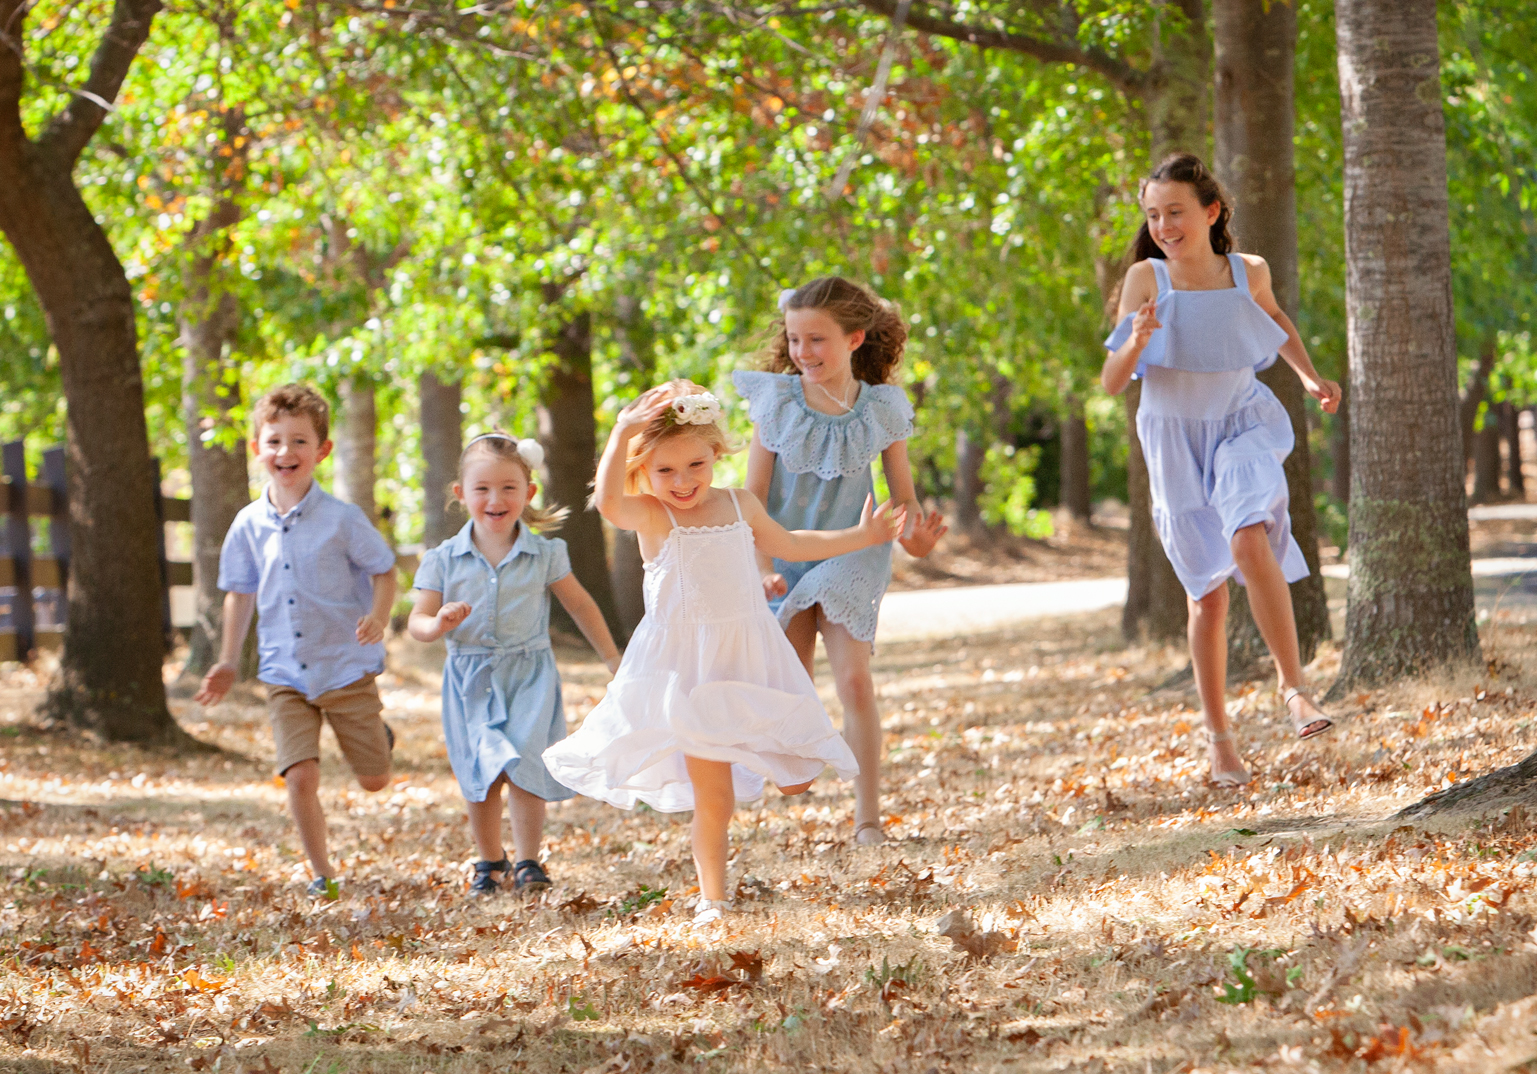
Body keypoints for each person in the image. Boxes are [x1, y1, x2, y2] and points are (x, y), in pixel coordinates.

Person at [543, 380, 903, 924]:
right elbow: (611, 502)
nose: (682, 482)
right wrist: (622, 430)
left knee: (799, 776)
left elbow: (791, 545)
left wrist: (864, 535)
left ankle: (761, 766)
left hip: (751, 657)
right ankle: (713, 898)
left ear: (716, 454)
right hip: (689, 673)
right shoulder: (652, 516)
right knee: (715, 799)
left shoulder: (739, 503)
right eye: (665, 471)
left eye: (695, 465)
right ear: (645, 470)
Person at [1101, 153, 1342, 786]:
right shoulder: (1146, 281)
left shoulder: (1247, 271)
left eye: (1175, 212)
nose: (1163, 225)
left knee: (1248, 535)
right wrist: (1136, 342)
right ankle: (1220, 743)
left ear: (1210, 212)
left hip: (1242, 424)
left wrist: (1310, 376)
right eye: (1153, 215)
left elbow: (1275, 321)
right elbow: (1109, 382)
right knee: (1206, 597)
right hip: (1174, 440)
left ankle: (1295, 690)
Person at [734, 277, 947, 845]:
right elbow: (752, 497)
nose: (804, 353)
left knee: (854, 681)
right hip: (784, 552)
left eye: (817, 340)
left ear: (854, 339)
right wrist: (758, 567)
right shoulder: (777, 402)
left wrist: (914, 538)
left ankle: (868, 820)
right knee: (792, 689)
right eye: (796, 339)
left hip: (855, 548)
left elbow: (902, 496)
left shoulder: (881, 408)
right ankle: (794, 777)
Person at [195, 383, 398, 899]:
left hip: (346, 667)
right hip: (284, 672)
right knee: (300, 776)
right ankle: (321, 875)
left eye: (300, 441)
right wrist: (225, 662)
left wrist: (377, 617)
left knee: (375, 779)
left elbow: (385, 569)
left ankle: (380, 737)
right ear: (257, 448)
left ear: (322, 451)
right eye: (276, 441)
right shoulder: (246, 525)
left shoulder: (343, 519)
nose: (287, 452)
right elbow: (239, 595)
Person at [407, 433, 620, 896]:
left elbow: (582, 606)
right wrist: (437, 622)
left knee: (525, 763)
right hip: (470, 678)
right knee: (480, 774)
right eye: (482, 488)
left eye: (509, 487)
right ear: (461, 494)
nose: (496, 499)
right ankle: (488, 860)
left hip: (529, 674)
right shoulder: (442, 560)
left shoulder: (545, 554)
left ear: (528, 492)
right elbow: (416, 621)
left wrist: (611, 657)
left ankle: (528, 861)